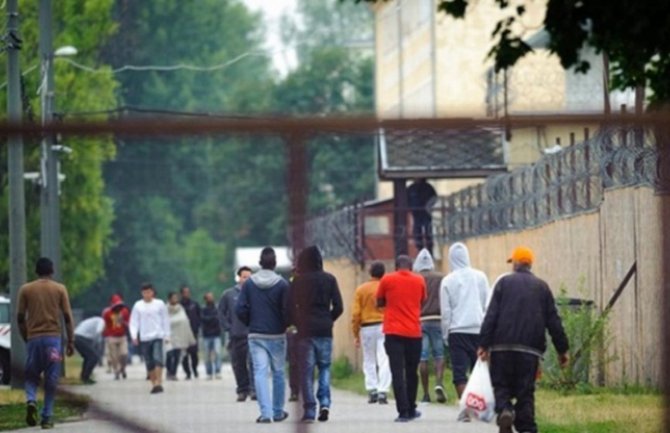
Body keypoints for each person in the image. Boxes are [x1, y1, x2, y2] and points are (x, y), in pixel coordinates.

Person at [478, 246, 570, 433]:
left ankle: (505, 410)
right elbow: (553, 321)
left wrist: (483, 344)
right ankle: (527, 428)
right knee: (525, 392)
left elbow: (491, 315)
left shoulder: (503, 283)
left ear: (516, 264)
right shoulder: (542, 287)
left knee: (501, 386)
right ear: (530, 264)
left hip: (501, 348)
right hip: (529, 351)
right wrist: (563, 350)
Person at [17, 257, 75, 429]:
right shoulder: (60, 289)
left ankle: (31, 400)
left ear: (36, 271)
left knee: (30, 375)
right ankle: (47, 417)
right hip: (54, 341)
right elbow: (67, 317)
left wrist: (26, 337)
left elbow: (20, 317)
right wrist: (70, 340)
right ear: (52, 271)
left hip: (34, 339)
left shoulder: (25, 289)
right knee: (52, 378)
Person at [288, 246, 343, 423]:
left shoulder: (298, 281)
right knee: (325, 367)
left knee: (306, 371)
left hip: (305, 332)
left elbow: (290, 308)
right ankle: (325, 403)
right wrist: (328, 319)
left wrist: (298, 323)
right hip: (325, 330)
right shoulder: (329, 279)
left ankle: (310, 410)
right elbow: (339, 307)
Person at [235, 247, 290, 423]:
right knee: (279, 373)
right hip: (277, 335)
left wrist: (250, 323)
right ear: (274, 264)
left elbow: (240, 308)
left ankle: (265, 413)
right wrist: (284, 324)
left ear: (260, 263)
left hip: (256, 335)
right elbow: (288, 310)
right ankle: (278, 411)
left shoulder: (250, 283)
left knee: (260, 372)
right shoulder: (282, 284)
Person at [439, 242, 490, 421]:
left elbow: (446, 312)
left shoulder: (448, 280)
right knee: (480, 371)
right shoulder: (481, 277)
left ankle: (466, 410)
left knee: (459, 373)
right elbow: (486, 304)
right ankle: (482, 407)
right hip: (479, 330)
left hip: (457, 331)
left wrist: (446, 335)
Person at [377, 255, 426, 422]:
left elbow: (379, 301)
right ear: (411, 267)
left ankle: (403, 412)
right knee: (412, 372)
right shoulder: (419, 280)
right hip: (414, 332)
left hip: (393, 332)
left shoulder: (387, 279)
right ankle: (412, 408)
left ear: (396, 266)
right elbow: (422, 300)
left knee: (397, 372)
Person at [351, 261, 391, 405]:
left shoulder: (361, 290)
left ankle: (372, 389)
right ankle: (383, 390)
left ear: (370, 272)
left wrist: (356, 334)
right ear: (383, 273)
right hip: (384, 326)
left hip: (367, 327)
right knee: (385, 358)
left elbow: (356, 314)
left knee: (369, 359)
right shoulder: (386, 288)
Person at [413, 248, 447, 404]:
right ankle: (439, 383)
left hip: (421, 321)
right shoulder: (442, 277)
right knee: (439, 355)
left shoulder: (416, 279)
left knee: (423, 357)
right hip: (438, 319)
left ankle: (425, 394)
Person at [219, 266, 255, 401]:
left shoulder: (256, 294)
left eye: (249, 277)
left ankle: (254, 389)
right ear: (239, 278)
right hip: (236, 335)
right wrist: (228, 327)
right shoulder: (229, 294)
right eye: (244, 277)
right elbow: (221, 312)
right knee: (238, 364)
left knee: (253, 363)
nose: (247, 280)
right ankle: (242, 389)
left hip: (252, 334)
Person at [129, 283, 171, 394]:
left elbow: (165, 320)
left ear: (152, 292)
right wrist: (134, 335)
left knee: (158, 359)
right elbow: (134, 322)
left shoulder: (159, 304)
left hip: (157, 335)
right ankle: (154, 384)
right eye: (144, 292)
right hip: (144, 337)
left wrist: (167, 334)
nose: (147, 294)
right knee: (149, 362)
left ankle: (159, 382)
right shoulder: (138, 305)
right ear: (142, 293)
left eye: (149, 292)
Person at [166, 292, 196, 381]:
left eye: (176, 298)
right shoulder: (165, 309)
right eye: (173, 298)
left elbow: (185, 321)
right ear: (169, 299)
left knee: (176, 356)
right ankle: (169, 370)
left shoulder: (180, 309)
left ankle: (173, 373)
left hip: (180, 336)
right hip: (169, 336)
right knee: (169, 355)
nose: (175, 299)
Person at [102, 294, 130, 380]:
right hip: (111, 337)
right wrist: (104, 334)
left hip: (122, 336)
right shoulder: (107, 313)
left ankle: (123, 369)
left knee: (124, 354)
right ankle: (116, 371)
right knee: (114, 356)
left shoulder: (125, 312)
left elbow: (129, 324)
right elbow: (105, 325)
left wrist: (123, 322)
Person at [407, 178, 437, 254]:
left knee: (428, 231)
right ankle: (420, 250)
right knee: (417, 232)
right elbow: (406, 199)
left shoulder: (428, 187)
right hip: (416, 214)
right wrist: (411, 208)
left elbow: (434, 198)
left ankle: (430, 251)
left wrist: (428, 207)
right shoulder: (411, 188)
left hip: (426, 213)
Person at [74, 316, 105, 384]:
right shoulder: (102, 321)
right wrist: (96, 344)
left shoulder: (94, 320)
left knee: (88, 357)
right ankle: (85, 377)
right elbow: (98, 331)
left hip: (76, 337)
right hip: (80, 337)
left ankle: (84, 377)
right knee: (94, 357)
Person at [180, 285, 201, 379]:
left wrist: (198, 326)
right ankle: (187, 372)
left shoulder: (194, 304)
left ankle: (195, 369)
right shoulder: (179, 306)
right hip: (182, 333)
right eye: (185, 292)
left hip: (193, 332)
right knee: (184, 355)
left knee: (194, 353)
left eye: (188, 292)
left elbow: (200, 315)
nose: (186, 294)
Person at [201, 292, 222, 380]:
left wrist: (210, 319)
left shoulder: (217, 308)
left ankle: (217, 371)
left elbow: (218, 318)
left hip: (216, 334)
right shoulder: (203, 309)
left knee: (217, 352)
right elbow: (203, 319)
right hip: (206, 335)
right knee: (207, 355)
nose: (210, 299)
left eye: (211, 297)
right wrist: (212, 318)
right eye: (208, 297)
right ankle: (209, 372)